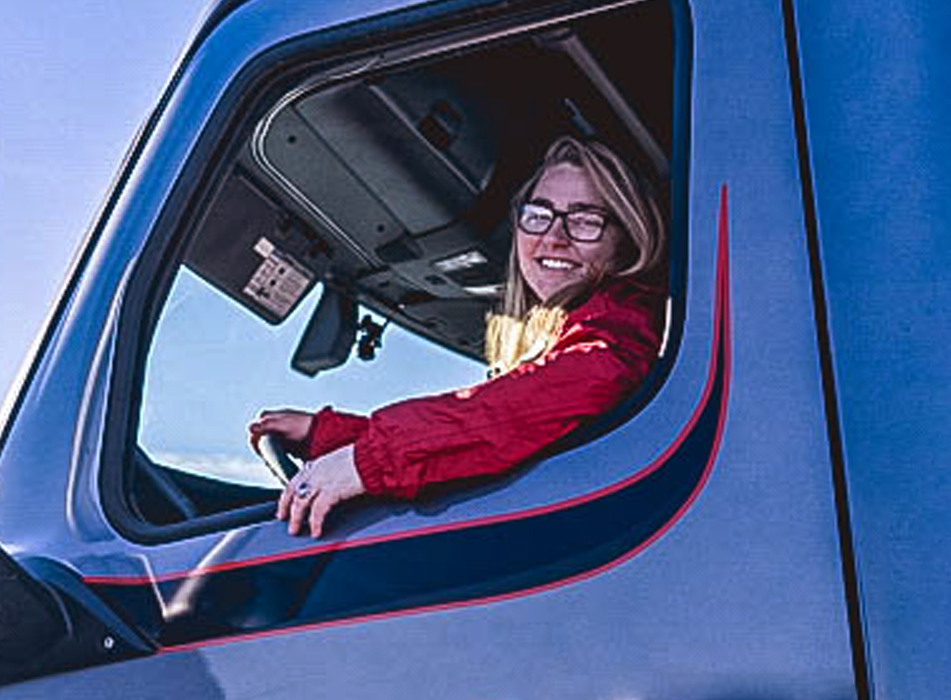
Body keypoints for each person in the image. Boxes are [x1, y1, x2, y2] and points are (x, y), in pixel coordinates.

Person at [249, 136, 666, 538]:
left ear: (626, 240)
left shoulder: (622, 329)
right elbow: (485, 426)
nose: (554, 237)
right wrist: (328, 436)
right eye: (539, 215)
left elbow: (523, 407)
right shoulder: (575, 330)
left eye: (585, 221)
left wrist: (367, 461)